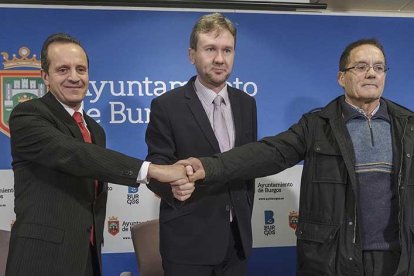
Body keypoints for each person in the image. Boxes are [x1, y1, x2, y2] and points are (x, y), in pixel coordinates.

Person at [181, 38, 414, 276]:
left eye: (379, 67)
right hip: (334, 260)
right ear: (341, 78)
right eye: (361, 67)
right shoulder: (316, 126)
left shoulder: (408, 125)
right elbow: (269, 152)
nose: (371, 74)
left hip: (398, 260)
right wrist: (209, 166)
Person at [5, 33, 192, 276]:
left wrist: (172, 186)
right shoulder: (27, 115)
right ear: (45, 77)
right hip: (41, 260)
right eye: (63, 69)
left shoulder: (95, 129)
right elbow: (75, 155)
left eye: (80, 69)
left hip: (88, 258)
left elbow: (97, 170)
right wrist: (154, 170)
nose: (74, 77)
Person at [145, 13, 257, 276]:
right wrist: (174, 185)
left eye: (227, 50)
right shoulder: (166, 106)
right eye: (210, 49)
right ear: (192, 55)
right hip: (188, 245)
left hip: (237, 242)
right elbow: (156, 169)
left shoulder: (246, 104)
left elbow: (249, 162)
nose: (220, 58)